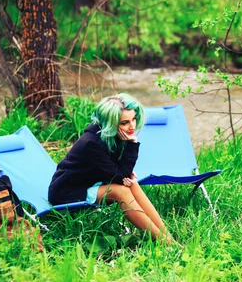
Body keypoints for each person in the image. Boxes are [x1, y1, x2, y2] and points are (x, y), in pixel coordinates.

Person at [48, 93, 173, 244]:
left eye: (133, 119)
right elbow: (120, 176)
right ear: (110, 123)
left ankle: (167, 236)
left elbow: (120, 173)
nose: (132, 126)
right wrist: (132, 144)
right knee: (121, 191)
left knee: (132, 183)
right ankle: (164, 242)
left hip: (90, 183)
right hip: (68, 192)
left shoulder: (110, 135)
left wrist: (123, 173)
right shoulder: (91, 143)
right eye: (124, 123)